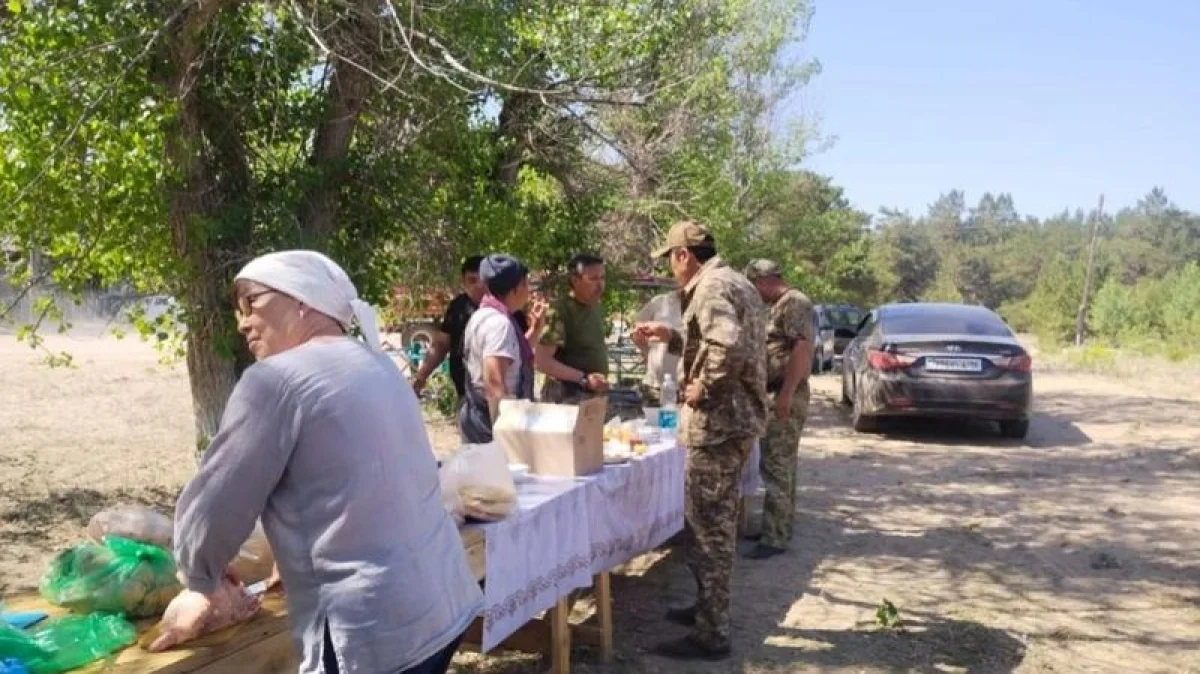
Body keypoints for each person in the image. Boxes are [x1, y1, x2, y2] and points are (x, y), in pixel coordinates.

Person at [155, 250, 483, 674]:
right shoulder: (377, 364)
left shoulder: (276, 381)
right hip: (439, 601)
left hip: (373, 629)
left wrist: (200, 581)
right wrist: (289, 552)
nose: (242, 322)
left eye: (250, 302)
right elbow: (352, 484)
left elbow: (217, 504)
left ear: (301, 300)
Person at [633, 221, 767, 660]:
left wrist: (701, 388)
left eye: (670, 259)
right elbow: (714, 341)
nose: (671, 270)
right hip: (735, 422)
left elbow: (726, 347)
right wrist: (671, 337)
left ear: (684, 255)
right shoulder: (735, 282)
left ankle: (712, 633)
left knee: (707, 527)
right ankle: (706, 609)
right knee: (716, 520)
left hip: (720, 424)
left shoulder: (710, 288)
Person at [743, 259, 814, 560]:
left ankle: (776, 537)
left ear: (764, 281)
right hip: (774, 392)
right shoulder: (782, 305)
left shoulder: (794, 303)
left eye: (755, 287)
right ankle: (777, 525)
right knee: (776, 463)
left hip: (785, 394)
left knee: (778, 466)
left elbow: (802, 349)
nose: (756, 294)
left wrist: (785, 394)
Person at [459, 254, 545, 443]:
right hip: (491, 425)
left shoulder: (484, 315)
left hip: (482, 417)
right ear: (515, 289)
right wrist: (507, 438)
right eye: (526, 285)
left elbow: (511, 358)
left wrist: (535, 330)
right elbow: (494, 384)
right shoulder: (498, 324)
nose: (528, 291)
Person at [535, 254, 610, 404]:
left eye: (602, 278)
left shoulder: (596, 307)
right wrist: (583, 378)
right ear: (575, 280)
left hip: (591, 397)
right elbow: (542, 361)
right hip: (565, 398)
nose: (600, 285)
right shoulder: (561, 311)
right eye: (593, 279)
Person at [412, 256, 487, 402]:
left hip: (499, 396)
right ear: (463, 282)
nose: (478, 285)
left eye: (482, 280)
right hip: (465, 395)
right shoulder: (458, 307)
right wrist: (422, 376)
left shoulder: (506, 308)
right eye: (472, 280)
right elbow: (441, 344)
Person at [631, 290, 681, 406]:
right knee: (653, 422)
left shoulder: (703, 304)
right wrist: (645, 351)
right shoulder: (660, 302)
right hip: (655, 386)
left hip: (687, 389)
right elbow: (636, 330)